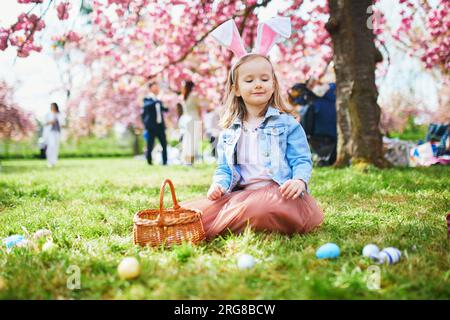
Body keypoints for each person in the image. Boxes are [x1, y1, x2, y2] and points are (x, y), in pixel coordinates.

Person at [181, 17, 324, 240]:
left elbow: (301, 160)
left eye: (264, 79)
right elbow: (224, 169)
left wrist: (299, 181)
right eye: (249, 80)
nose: (258, 84)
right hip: (243, 195)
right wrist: (218, 185)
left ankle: (248, 220)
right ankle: (234, 219)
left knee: (262, 211)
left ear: (273, 85)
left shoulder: (287, 124)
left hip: (279, 193)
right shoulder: (229, 131)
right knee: (204, 213)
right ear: (236, 89)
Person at [141, 82, 169, 165]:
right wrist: (157, 101)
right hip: (151, 126)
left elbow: (163, 109)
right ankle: (149, 161)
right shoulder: (147, 99)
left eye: (157, 87)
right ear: (150, 89)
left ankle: (165, 161)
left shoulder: (159, 100)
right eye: (154, 87)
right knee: (150, 144)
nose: (156, 89)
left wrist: (165, 106)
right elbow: (147, 106)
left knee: (164, 144)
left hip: (160, 126)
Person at [180, 80, 202, 165]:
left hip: (189, 119)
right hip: (191, 119)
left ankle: (188, 159)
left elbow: (198, 108)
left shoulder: (190, 96)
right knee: (191, 140)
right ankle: (188, 159)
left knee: (189, 139)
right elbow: (199, 109)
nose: (182, 88)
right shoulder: (190, 96)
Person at [43, 103, 64, 168]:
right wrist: (50, 122)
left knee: (56, 147)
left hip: (57, 132)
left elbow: (62, 124)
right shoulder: (48, 114)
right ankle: (49, 161)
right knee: (51, 146)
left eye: (53, 106)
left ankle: (54, 162)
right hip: (50, 133)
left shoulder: (59, 115)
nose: (52, 108)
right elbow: (44, 123)